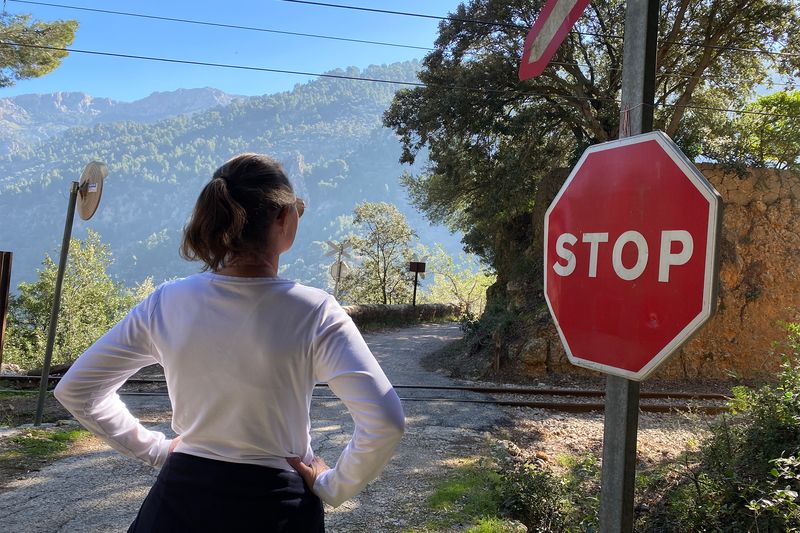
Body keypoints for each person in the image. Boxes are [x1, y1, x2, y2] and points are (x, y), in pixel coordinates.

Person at [54, 153, 405, 532]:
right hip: (277, 508)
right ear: (283, 218)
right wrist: (332, 485)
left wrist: (157, 450)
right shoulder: (315, 311)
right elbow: (385, 420)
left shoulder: (166, 302)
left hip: (177, 504)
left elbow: (77, 390)